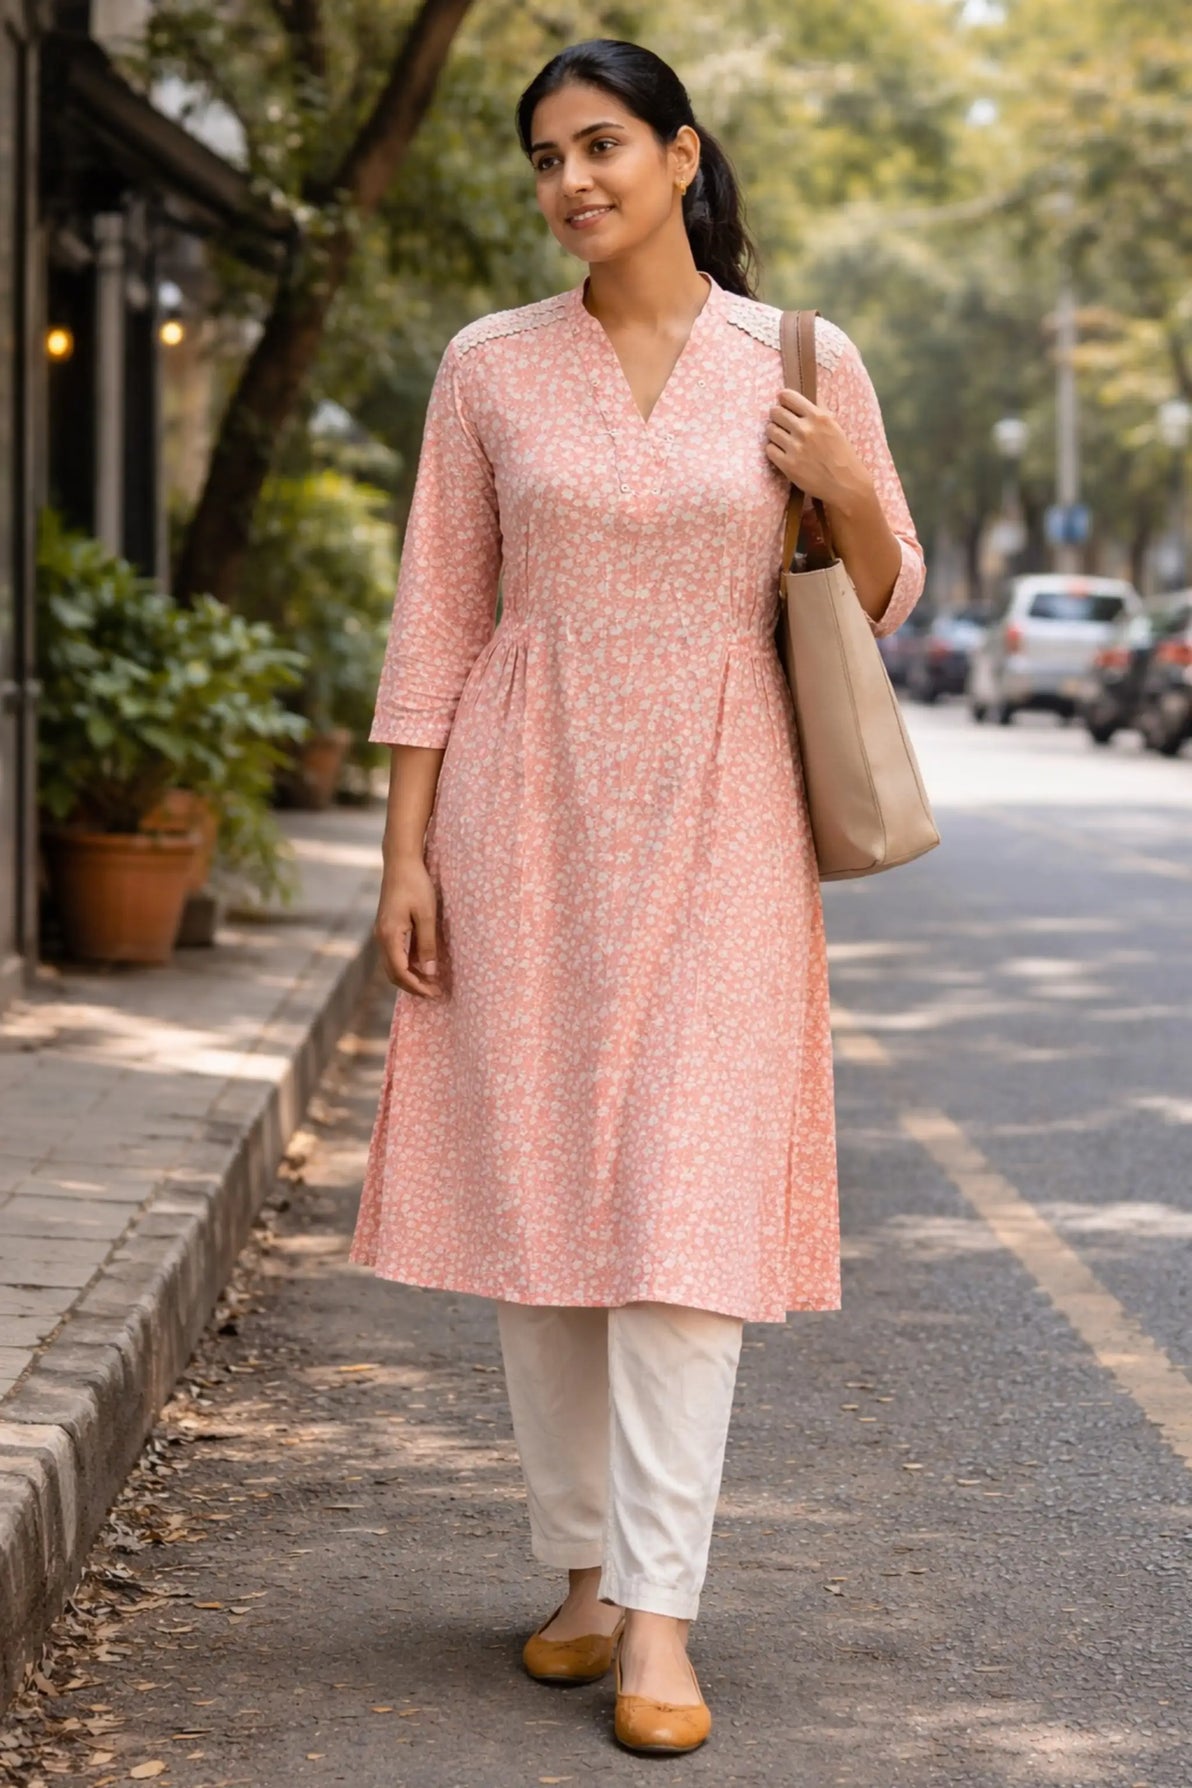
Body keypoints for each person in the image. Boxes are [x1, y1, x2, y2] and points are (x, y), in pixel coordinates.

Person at [349, 37, 925, 1758]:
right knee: (544, 1223)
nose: (572, 181)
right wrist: (403, 854)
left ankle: (661, 1615)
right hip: (521, 815)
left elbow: (882, 593)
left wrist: (840, 486)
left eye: (601, 145)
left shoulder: (801, 359)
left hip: (726, 815)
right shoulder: (490, 366)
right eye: (546, 158)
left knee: (683, 1223)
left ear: (682, 155)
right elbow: (438, 617)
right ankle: (584, 1574)